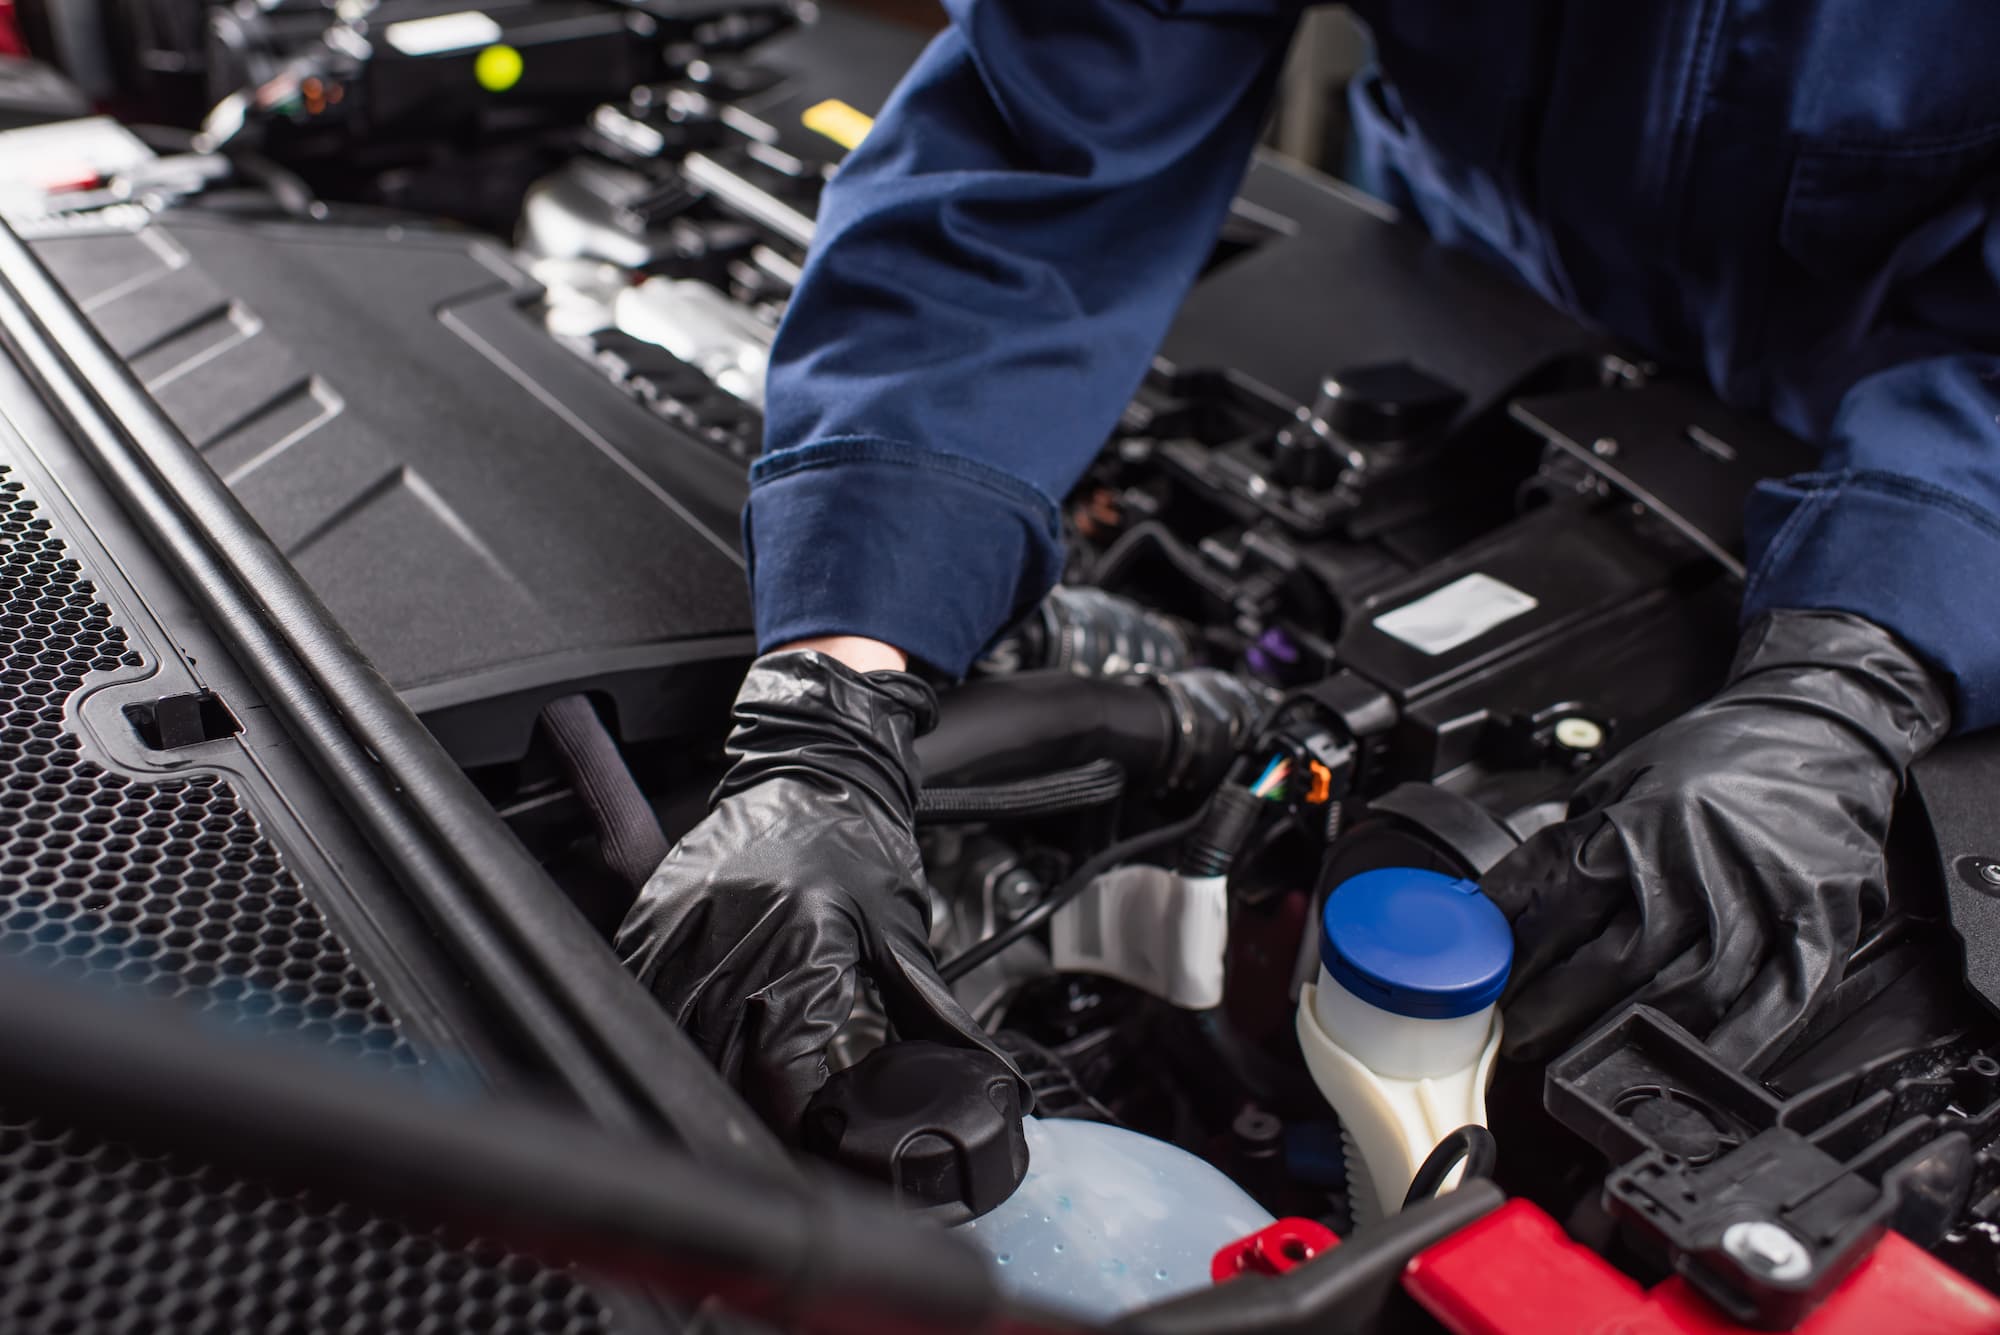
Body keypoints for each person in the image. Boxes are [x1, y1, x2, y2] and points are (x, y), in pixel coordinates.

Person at [617, 0, 1994, 1136]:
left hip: (1942, 440)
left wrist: (1852, 678)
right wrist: (829, 705)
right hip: (1493, 300)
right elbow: (1039, 156)